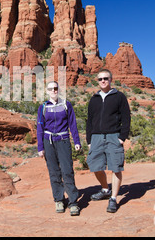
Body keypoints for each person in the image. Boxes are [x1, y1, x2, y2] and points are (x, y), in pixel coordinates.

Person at [86, 69, 131, 213]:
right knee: (95, 166)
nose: (103, 81)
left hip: (113, 136)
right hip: (96, 137)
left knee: (116, 167)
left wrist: (122, 137)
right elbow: (89, 120)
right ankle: (105, 189)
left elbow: (126, 118)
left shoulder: (119, 96)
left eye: (105, 78)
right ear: (97, 81)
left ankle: (113, 198)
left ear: (111, 79)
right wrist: (89, 140)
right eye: (100, 79)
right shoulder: (94, 98)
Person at [37, 81, 82, 216]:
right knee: (54, 172)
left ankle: (73, 202)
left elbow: (72, 124)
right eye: (51, 89)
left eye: (55, 88)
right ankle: (59, 200)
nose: (54, 91)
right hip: (48, 141)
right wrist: (40, 147)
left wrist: (77, 141)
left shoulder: (66, 105)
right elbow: (40, 127)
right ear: (47, 91)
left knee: (67, 170)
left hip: (63, 140)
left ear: (58, 90)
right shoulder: (43, 107)